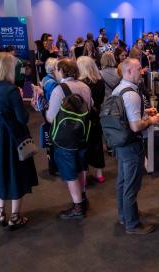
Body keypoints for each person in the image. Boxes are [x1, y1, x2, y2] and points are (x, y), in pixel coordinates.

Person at [0, 52, 38, 230]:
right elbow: (23, 119)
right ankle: (15, 216)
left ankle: (0, 212)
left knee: (0, 172)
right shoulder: (11, 90)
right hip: (13, 137)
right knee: (16, 173)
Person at [111, 58, 159, 234]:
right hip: (131, 144)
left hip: (120, 142)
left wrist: (143, 112)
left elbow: (123, 114)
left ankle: (124, 215)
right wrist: (151, 119)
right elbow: (135, 126)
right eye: (139, 69)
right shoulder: (131, 94)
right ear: (129, 71)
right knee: (131, 184)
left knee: (123, 181)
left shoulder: (119, 89)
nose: (142, 71)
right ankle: (132, 224)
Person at [45, 59, 92, 219]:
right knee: (81, 166)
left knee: (69, 171)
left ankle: (78, 207)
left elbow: (51, 117)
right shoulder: (85, 86)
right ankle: (83, 198)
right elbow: (90, 108)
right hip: (83, 133)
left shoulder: (59, 90)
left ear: (62, 70)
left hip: (65, 139)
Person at [77, 56, 106, 183]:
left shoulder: (80, 84)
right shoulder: (100, 81)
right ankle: (99, 174)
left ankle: (84, 172)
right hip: (96, 116)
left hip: (83, 118)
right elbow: (100, 100)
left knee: (83, 146)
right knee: (97, 144)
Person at [40, 58, 59, 175]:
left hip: (46, 113)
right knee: (54, 142)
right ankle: (55, 167)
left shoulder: (46, 79)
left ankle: (53, 166)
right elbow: (55, 99)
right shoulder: (52, 83)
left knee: (50, 142)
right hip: (52, 114)